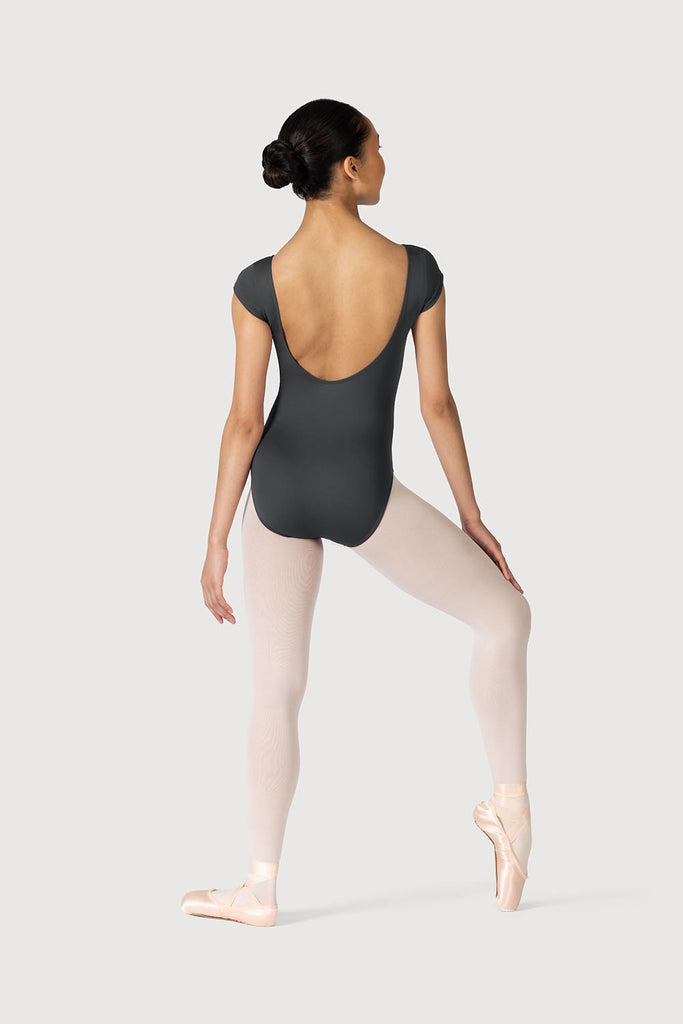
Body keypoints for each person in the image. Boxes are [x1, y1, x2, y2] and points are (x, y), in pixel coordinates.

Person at [181, 98, 533, 927]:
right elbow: (436, 404)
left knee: (276, 687)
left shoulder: (258, 282)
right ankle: (511, 813)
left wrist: (215, 539)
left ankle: (259, 886)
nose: (383, 161)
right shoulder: (415, 271)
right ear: (348, 168)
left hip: (277, 492)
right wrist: (470, 513)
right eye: (377, 148)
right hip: (362, 493)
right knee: (505, 618)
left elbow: (243, 421)